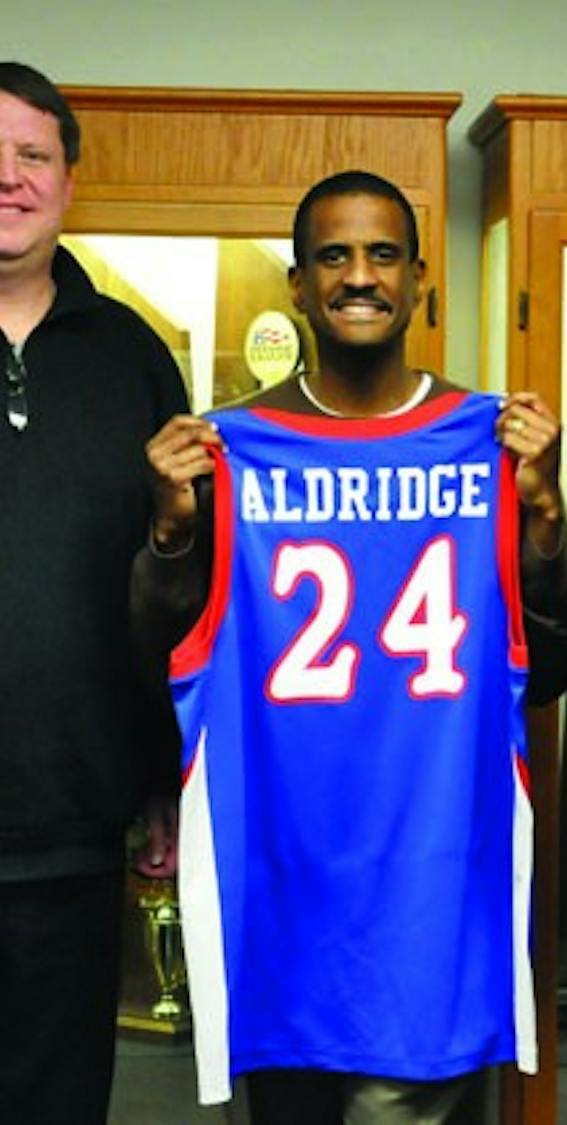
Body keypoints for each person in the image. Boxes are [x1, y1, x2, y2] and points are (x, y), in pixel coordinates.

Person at [132, 170, 567, 1123]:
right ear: (297, 284)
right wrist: (174, 530)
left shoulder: (491, 444)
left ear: (419, 278)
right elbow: (162, 653)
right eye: (333, 256)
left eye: (383, 253)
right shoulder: (231, 451)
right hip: (286, 885)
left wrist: (544, 512)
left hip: (432, 888)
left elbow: (549, 665)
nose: (359, 276)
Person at [0, 61, 187, 1124]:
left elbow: (175, 587)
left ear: (70, 179)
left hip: (75, 826)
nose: (10, 179)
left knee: (55, 1105)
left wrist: (160, 775)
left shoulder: (134, 358)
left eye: (33, 155)